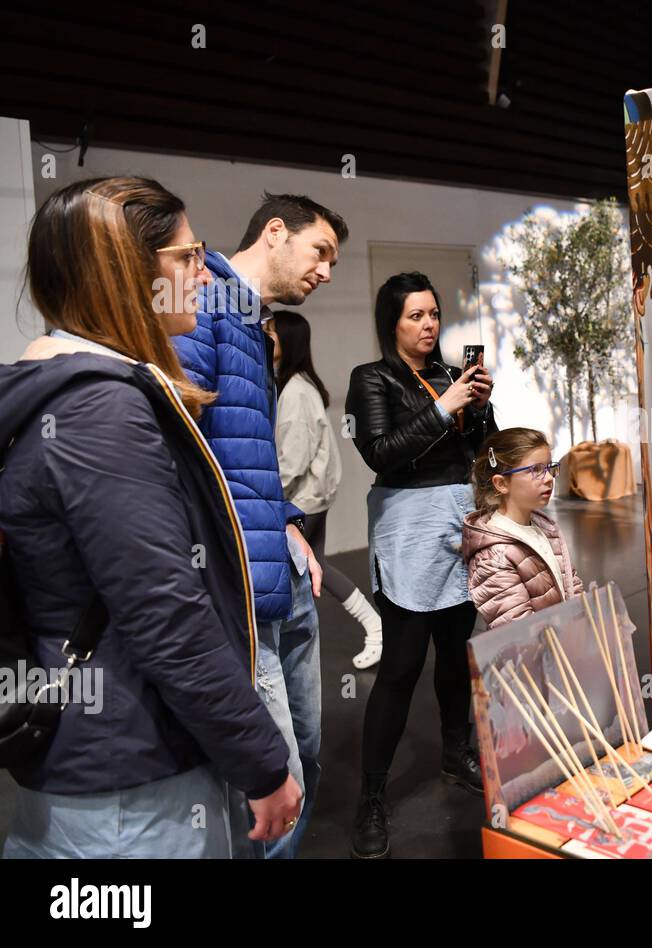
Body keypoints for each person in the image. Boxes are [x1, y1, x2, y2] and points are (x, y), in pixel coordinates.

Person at [0, 177, 301, 857]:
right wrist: (261, 759)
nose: (204, 275)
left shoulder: (83, 396)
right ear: (125, 275)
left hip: (106, 770)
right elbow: (165, 612)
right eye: (188, 257)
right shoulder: (100, 412)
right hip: (127, 784)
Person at [172, 192, 349, 859]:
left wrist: (286, 521)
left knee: (304, 754)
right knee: (278, 789)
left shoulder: (248, 317)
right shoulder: (207, 303)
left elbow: (241, 454)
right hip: (242, 594)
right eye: (320, 252)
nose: (327, 271)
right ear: (275, 232)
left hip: (280, 575)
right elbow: (182, 451)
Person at [345, 271, 496, 858]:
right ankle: (372, 795)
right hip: (408, 527)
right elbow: (380, 453)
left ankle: (456, 751)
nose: (429, 324)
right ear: (392, 323)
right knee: (402, 665)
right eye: (415, 315)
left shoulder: (451, 379)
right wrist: (443, 409)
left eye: (433, 314)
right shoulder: (372, 378)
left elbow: (482, 451)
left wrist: (479, 410)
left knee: (457, 654)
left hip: (460, 519)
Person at [268, 310, 383, 669]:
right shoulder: (295, 385)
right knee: (318, 564)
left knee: (302, 574)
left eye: (271, 331)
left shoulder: (297, 391)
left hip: (302, 500)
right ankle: (375, 626)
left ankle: (288, 655)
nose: (265, 336)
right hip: (309, 496)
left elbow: (293, 461)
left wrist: (265, 494)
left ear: (286, 341)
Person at [463, 428, 584, 629]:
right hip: (541, 656)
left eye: (549, 468)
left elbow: (572, 586)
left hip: (566, 647)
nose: (548, 478)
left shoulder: (545, 529)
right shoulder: (493, 556)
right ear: (501, 483)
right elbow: (518, 632)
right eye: (535, 470)